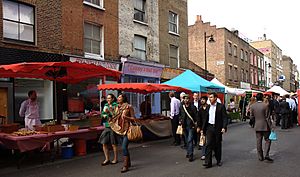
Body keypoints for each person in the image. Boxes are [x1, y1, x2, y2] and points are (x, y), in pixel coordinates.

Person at [108, 93, 139, 173]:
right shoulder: (117, 107)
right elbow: (115, 116)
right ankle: (128, 162)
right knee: (124, 147)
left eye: (120, 97)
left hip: (127, 129)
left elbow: (134, 118)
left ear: (123, 98)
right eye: (118, 97)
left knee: (124, 147)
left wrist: (127, 117)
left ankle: (125, 166)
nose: (118, 98)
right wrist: (110, 113)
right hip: (119, 129)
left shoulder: (129, 106)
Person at [202, 92, 228, 168]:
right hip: (209, 127)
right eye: (209, 97)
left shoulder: (221, 107)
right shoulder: (208, 107)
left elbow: (224, 117)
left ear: (215, 98)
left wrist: (224, 127)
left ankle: (218, 160)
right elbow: (205, 119)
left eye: (211, 97)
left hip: (217, 128)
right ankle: (208, 162)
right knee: (208, 144)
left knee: (217, 145)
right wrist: (203, 129)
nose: (210, 99)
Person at [250, 93, 273, 162]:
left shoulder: (252, 106)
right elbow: (268, 118)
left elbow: (251, 117)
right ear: (262, 98)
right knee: (268, 140)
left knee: (258, 141)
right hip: (265, 126)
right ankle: (266, 155)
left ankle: (260, 156)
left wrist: (254, 123)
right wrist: (271, 127)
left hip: (257, 125)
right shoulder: (265, 106)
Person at [98, 94, 118, 166]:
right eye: (107, 98)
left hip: (113, 126)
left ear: (113, 99)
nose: (108, 99)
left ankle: (115, 159)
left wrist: (109, 112)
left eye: (109, 98)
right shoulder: (105, 105)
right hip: (107, 126)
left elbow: (116, 115)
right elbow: (102, 114)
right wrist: (105, 115)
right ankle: (107, 159)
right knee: (104, 143)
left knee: (113, 144)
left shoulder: (116, 105)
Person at [179, 94, 198, 162]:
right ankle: (188, 151)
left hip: (191, 126)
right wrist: (180, 120)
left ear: (189, 99)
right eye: (185, 99)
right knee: (187, 140)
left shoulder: (193, 107)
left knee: (190, 140)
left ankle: (191, 154)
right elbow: (180, 115)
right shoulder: (181, 107)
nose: (186, 100)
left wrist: (196, 124)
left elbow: (196, 116)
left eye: (187, 99)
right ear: (183, 99)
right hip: (184, 126)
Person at [197, 96, 209, 160]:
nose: (202, 100)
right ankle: (204, 154)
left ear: (206, 100)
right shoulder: (200, 109)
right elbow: (198, 119)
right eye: (201, 99)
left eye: (203, 99)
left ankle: (210, 151)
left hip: (209, 126)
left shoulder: (209, 108)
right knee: (203, 140)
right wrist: (199, 127)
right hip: (202, 127)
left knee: (209, 141)